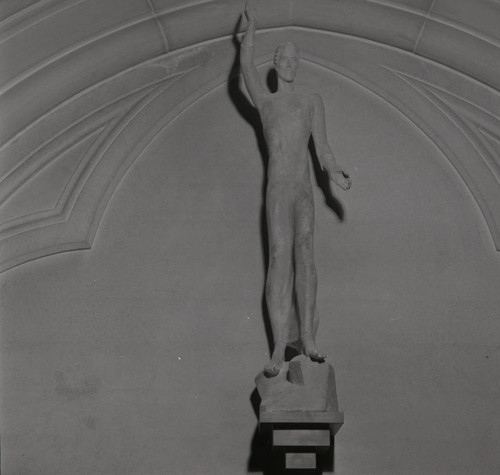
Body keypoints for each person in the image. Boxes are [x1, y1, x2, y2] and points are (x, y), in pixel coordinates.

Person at [240, 3, 351, 377]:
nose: (288, 63)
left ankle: (308, 338)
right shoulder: (266, 102)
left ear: (297, 64)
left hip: (303, 189)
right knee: (278, 258)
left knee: (305, 255)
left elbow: (323, 148)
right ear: (275, 63)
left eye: (293, 59)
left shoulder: (310, 101)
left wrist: (333, 170)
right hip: (277, 190)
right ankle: (277, 347)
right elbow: (244, 66)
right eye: (282, 58)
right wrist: (252, 28)